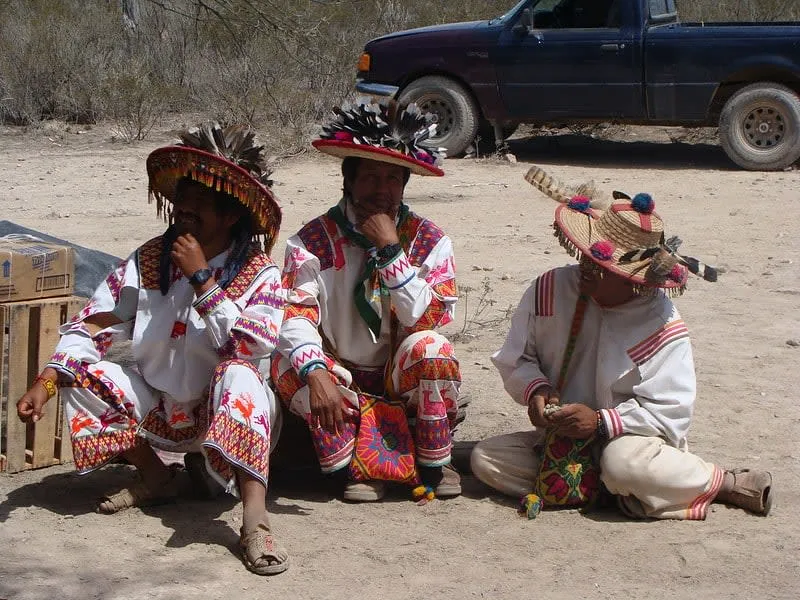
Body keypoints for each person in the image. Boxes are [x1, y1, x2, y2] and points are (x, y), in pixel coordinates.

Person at [16, 123, 290, 574]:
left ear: (232, 214)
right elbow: (95, 323)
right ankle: (157, 475)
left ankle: (254, 517)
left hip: (225, 411)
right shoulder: (148, 260)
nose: (184, 206)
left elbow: (249, 345)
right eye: (182, 193)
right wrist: (45, 383)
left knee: (239, 373)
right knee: (84, 375)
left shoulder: (259, 273)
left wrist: (202, 278)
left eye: (201, 198)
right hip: (161, 410)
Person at [470, 166, 774, 519]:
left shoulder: (662, 324)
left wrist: (600, 422)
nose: (586, 267)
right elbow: (517, 358)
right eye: (586, 256)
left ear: (635, 280)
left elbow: (669, 414)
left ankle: (723, 482)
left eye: (600, 267)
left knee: (623, 463)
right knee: (487, 460)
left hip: (630, 443)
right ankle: (615, 490)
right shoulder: (549, 289)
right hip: (561, 442)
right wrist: (536, 390)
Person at [271, 100, 462, 502]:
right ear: (348, 181)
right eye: (371, 176)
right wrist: (317, 371)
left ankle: (433, 464)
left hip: (398, 375)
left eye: (393, 178)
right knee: (288, 362)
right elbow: (294, 316)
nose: (381, 189)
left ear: (405, 185)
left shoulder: (428, 241)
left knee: (434, 349)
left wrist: (392, 252)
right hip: (339, 370)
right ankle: (360, 465)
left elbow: (424, 317)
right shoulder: (312, 240)